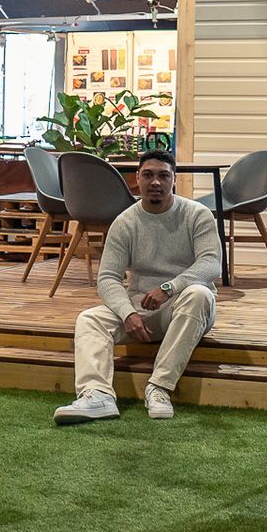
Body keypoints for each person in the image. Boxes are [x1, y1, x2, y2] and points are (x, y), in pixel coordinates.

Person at [54, 148, 221, 424]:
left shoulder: (197, 215)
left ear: (174, 179)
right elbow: (107, 278)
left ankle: (159, 387)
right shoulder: (125, 222)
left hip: (185, 306)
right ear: (137, 179)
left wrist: (169, 288)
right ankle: (97, 396)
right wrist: (127, 313)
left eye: (163, 176)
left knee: (199, 294)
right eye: (148, 175)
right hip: (140, 310)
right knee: (89, 319)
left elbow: (211, 265)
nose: (156, 182)